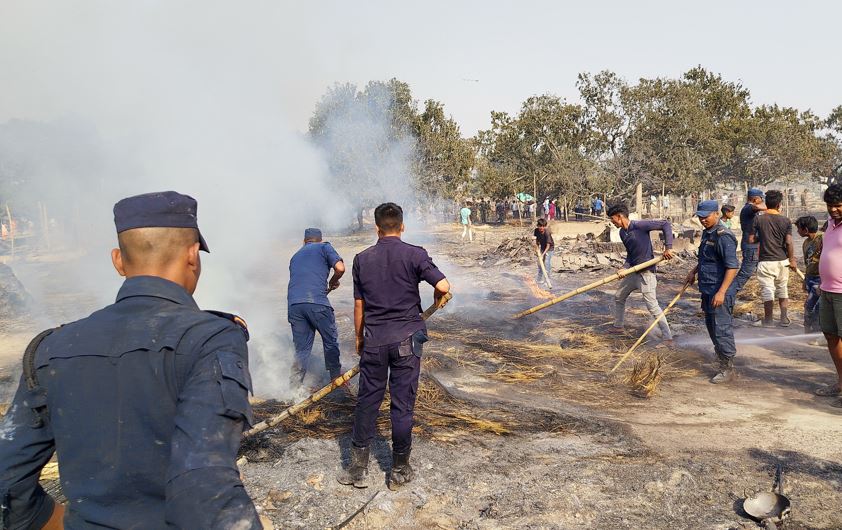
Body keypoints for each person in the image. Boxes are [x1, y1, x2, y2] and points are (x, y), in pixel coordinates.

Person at [0, 191, 262, 529]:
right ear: (193, 255)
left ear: (118, 261)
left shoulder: (51, 348)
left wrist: (49, 520)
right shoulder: (210, 339)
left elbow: (7, 479)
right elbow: (204, 485)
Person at [338, 202, 450, 489]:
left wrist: (360, 338)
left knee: (367, 401)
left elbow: (358, 305)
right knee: (402, 405)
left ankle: (357, 470)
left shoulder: (362, 259)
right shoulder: (415, 254)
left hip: (374, 341)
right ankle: (399, 470)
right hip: (406, 340)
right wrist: (438, 300)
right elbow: (444, 286)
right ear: (402, 226)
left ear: (376, 228)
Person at [685, 200, 740, 383]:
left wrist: (722, 292)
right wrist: (694, 271)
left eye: (706, 217)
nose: (702, 220)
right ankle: (720, 359)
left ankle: (727, 368)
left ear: (716, 214)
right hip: (707, 289)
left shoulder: (723, 236)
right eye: (700, 217)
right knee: (712, 327)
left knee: (722, 329)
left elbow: (732, 267)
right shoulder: (708, 233)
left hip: (719, 291)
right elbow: (707, 259)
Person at [607, 203, 674, 344]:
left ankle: (667, 337)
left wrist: (668, 248)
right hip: (633, 273)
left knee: (652, 306)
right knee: (619, 297)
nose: (612, 222)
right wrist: (625, 267)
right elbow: (630, 255)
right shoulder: (622, 233)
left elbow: (666, 224)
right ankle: (618, 326)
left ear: (619, 217)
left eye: (612, 219)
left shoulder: (640, 225)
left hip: (646, 273)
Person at [287, 227, 346, 386]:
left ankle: (294, 388)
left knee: (302, 349)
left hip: (294, 305)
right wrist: (333, 282)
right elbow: (340, 268)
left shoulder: (295, 256)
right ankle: (335, 377)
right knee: (330, 339)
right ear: (319, 239)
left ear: (304, 241)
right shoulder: (324, 247)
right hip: (317, 303)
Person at [752, 190, 797, 327]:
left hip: (765, 261)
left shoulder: (758, 219)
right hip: (782, 260)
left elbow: (751, 239)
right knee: (782, 288)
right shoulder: (785, 220)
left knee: (767, 290)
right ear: (779, 204)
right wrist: (792, 259)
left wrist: (762, 238)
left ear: (767, 203)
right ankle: (784, 319)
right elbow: (789, 242)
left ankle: (769, 320)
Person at [815, 184, 842, 406]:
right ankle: (841, 382)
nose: (833, 210)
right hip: (826, 290)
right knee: (831, 336)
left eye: (838, 206)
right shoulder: (830, 225)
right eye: (830, 205)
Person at [733, 188, 767, 292]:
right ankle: (729, 293)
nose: (762, 201)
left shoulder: (750, 209)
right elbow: (763, 207)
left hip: (754, 245)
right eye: (761, 199)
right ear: (755, 199)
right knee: (746, 272)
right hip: (750, 246)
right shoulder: (748, 208)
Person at [795, 216, 823, 333]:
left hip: (820, 279)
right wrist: (805, 280)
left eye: (799, 229)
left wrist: (823, 281)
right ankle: (810, 331)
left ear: (805, 230)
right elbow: (808, 262)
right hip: (810, 278)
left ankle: (814, 331)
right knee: (811, 306)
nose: (797, 231)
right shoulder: (806, 243)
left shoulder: (822, 239)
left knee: (813, 306)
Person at [533, 218, 554, 286]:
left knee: (546, 262)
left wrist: (543, 255)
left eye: (543, 226)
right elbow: (536, 240)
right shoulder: (536, 231)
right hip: (542, 247)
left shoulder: (547, 233)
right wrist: (536, 248)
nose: (541, 228)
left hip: (549, 248)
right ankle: (539, 279)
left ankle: (547, 280)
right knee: (540, 263)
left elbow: (548, 246)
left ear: (545, 226)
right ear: (538, 226)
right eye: (540, 226)